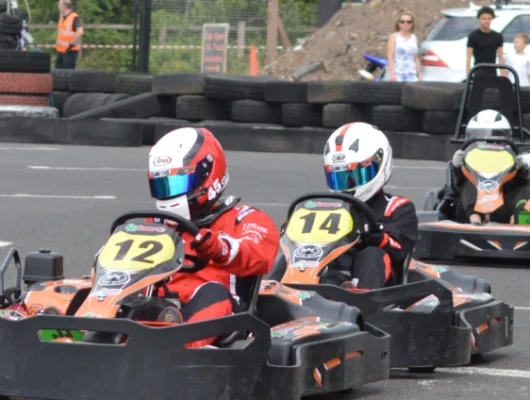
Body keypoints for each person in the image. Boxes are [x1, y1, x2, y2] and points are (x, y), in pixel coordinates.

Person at [142, 127, 280, 348]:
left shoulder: (244, 218)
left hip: (223, 317)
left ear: (208, 177)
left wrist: (220, 248)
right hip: (161, 309)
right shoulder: (154, 224)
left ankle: (178, 349)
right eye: (161, 185)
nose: (168, 194)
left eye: (176, 185)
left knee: (212, 291)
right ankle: (92, 337)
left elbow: (260, 256)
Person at [275, 123, 418, 290]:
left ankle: (360, 300)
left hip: (376, 279)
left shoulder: (397, 207)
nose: (348, 186)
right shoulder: (324, 207)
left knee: (371, 254)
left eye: (355, 176)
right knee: (289, 258)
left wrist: (380, 238)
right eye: (340, 177)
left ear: (380, 162)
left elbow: (401, 250)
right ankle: (271, 297)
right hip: (327, 269)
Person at [450, 109, 530, 224]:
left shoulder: (510, 158)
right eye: (480, 137)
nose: (488, 142)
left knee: (525, 189)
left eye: (495, 136)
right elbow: (457, 185)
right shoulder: (467, 159)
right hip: (471, 209)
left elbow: (521, 182)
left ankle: (518, 220)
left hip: (504, 208)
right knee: (468, 185)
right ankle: (475, 221)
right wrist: (456, 167)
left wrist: (521, 168)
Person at [466, 6, 506, 77]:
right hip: (478, 71)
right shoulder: (473, 36)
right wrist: (468, 73)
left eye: (489, 19)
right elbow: (468, 56)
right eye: (483, 19)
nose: (486, 21)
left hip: (492, 71)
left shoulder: (497, 36)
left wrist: (502, 73)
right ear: (479, 19)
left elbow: (500, 56)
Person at [386, 11, 422, 82]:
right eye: (402, 21)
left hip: (412, 75)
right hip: (398, 75)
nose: (406, 24)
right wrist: (392, 74)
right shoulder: (394, 37)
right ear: (398, 23)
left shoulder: (414, 38)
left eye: (409, 22)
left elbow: (416, 58)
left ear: (412, 24)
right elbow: (390, 56)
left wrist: (419, 74)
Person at [55, 0, 83, 70]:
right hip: (60, 50)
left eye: (59, 5)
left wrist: (71, 44)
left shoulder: (74, 17)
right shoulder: (62, 18)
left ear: (63, 6)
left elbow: (80, 32)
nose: (58, 7)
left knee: (68, 73)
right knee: (58, 72)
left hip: (69, 51)